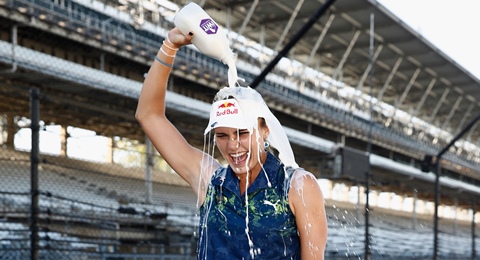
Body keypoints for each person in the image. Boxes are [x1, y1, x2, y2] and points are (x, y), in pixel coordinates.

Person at [136, 27, 328, 259]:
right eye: (222, 136)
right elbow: (149, 115)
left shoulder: (297, 186)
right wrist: (169, 46)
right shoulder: (211, 182)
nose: (233, 146)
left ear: (264, 130)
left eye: (242, 133)